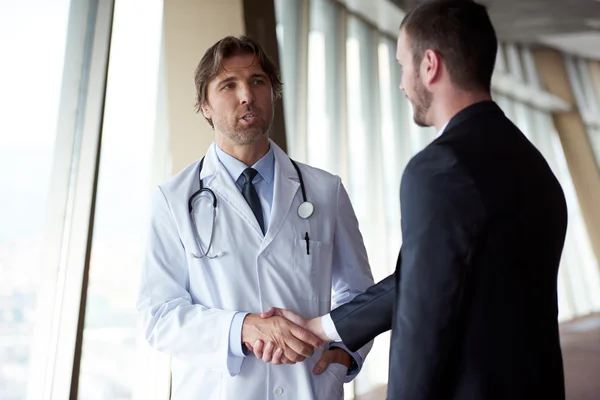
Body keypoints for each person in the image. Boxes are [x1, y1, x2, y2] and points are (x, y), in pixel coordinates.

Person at [256, 1, 569, 399]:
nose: (402, 83)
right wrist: (322, 327)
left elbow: (423, 320)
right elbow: (428, 277)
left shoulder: (439, 168)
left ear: (430, 65)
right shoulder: (532, 163)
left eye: (404, 64)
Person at [135, 35, 374, 400]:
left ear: (273, 93)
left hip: (308, 386)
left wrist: (347, 352)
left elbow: (357, 293)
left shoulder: (325, 191)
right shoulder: (173, 200)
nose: (247, 95)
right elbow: (159, 314)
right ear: (205, 105)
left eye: (257, 82)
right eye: (228, 85)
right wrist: (242, 329)